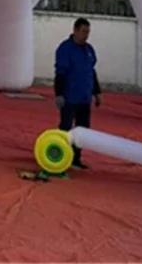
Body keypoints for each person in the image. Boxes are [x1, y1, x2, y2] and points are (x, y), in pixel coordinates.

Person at [54, 17, 101, 170]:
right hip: (69, 96)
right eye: (83, 31)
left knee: (83, 130)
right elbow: (60, 72)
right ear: (75, 30)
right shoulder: (65, 49)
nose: (86, 35)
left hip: (84, 97)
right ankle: (61, 156)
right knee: (66, 128)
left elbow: (91, 72)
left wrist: (97, 92)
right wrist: (59, 93)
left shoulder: (89, 50)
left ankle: (75, 158)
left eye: (88, 32)